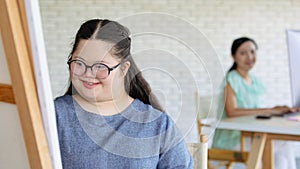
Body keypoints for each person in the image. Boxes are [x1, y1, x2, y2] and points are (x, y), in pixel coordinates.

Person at [54, 19, 193, 168]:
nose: (88, 73)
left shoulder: (157, 124)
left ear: (124, 69)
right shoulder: (53, 116)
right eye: (79, 63)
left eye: (100, 66)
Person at [212, 37, 298, 169]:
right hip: (231, 139)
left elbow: (254, 110)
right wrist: (270, 110)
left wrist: (276, 109)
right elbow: (232, 112)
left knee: (281, 154)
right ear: (233, 56)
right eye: (243, 53)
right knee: (280, 146)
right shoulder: (232, 79)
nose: (249, 57)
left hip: (250, 135)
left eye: (252, 52)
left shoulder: (254, 81)